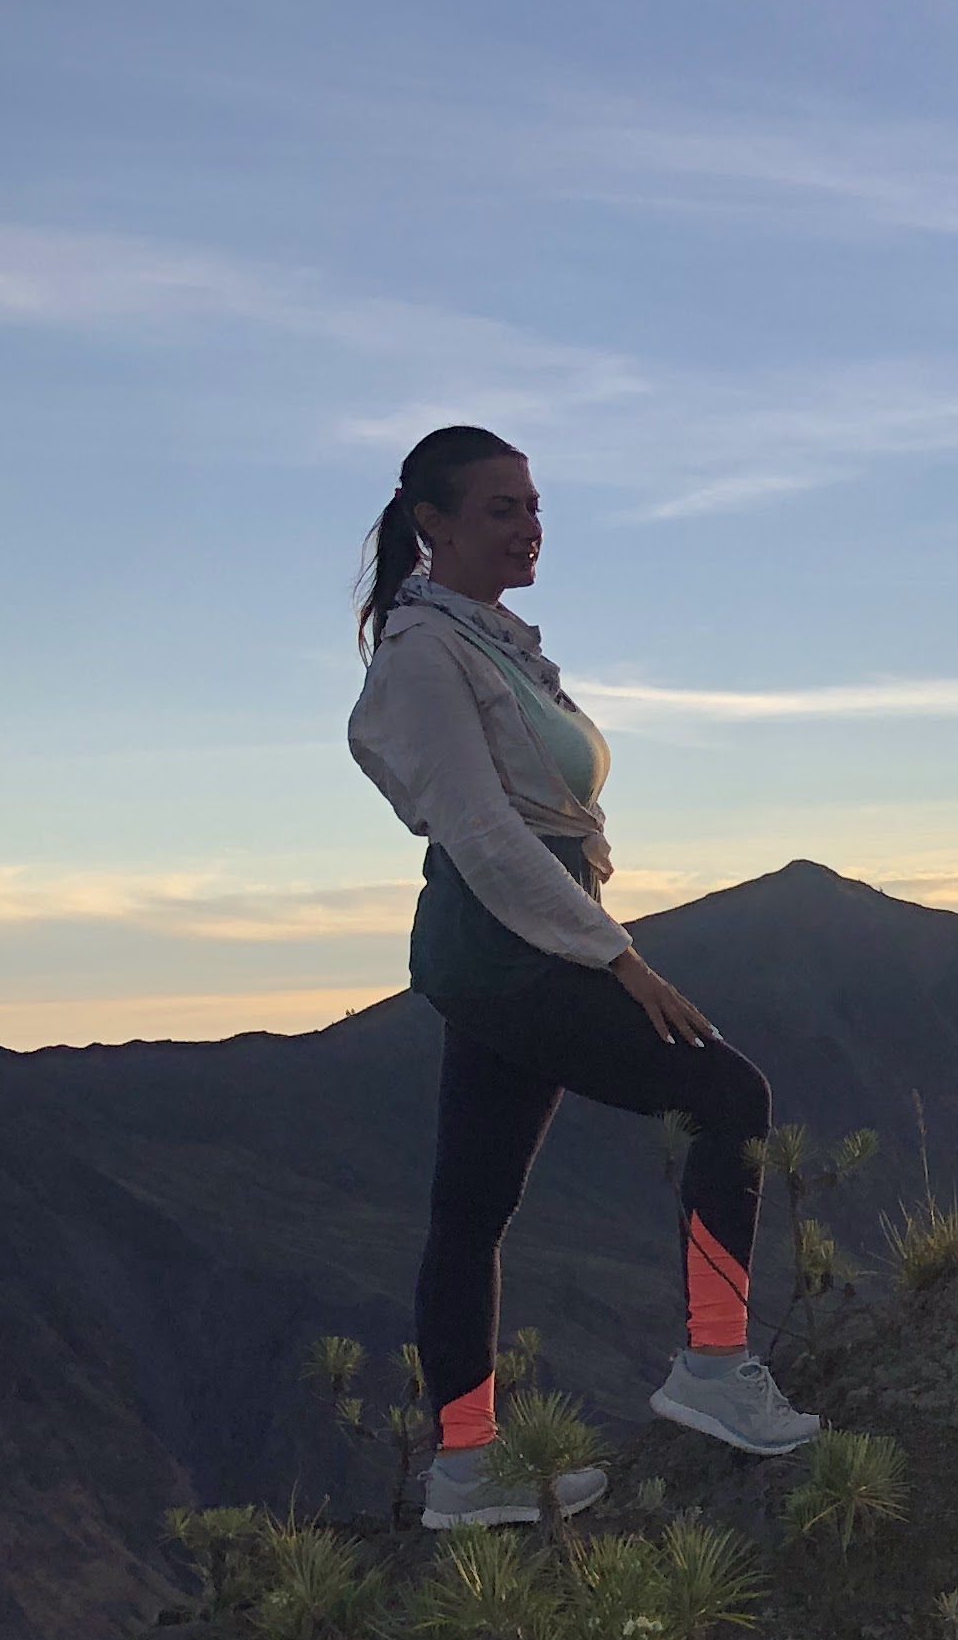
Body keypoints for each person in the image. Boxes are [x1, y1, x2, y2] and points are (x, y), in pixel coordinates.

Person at [348, 425, 823, 1530]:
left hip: (510, 940)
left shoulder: (484, 641)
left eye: (534, 505)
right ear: (434, 524)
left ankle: (467, 1473)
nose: (530, 527)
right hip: (511, 943)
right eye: (501, 508)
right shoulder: (427, 655)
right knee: (729, 1096)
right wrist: (615, 955)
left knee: (470, 1209)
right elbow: (479, 830)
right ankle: (712, 1368)